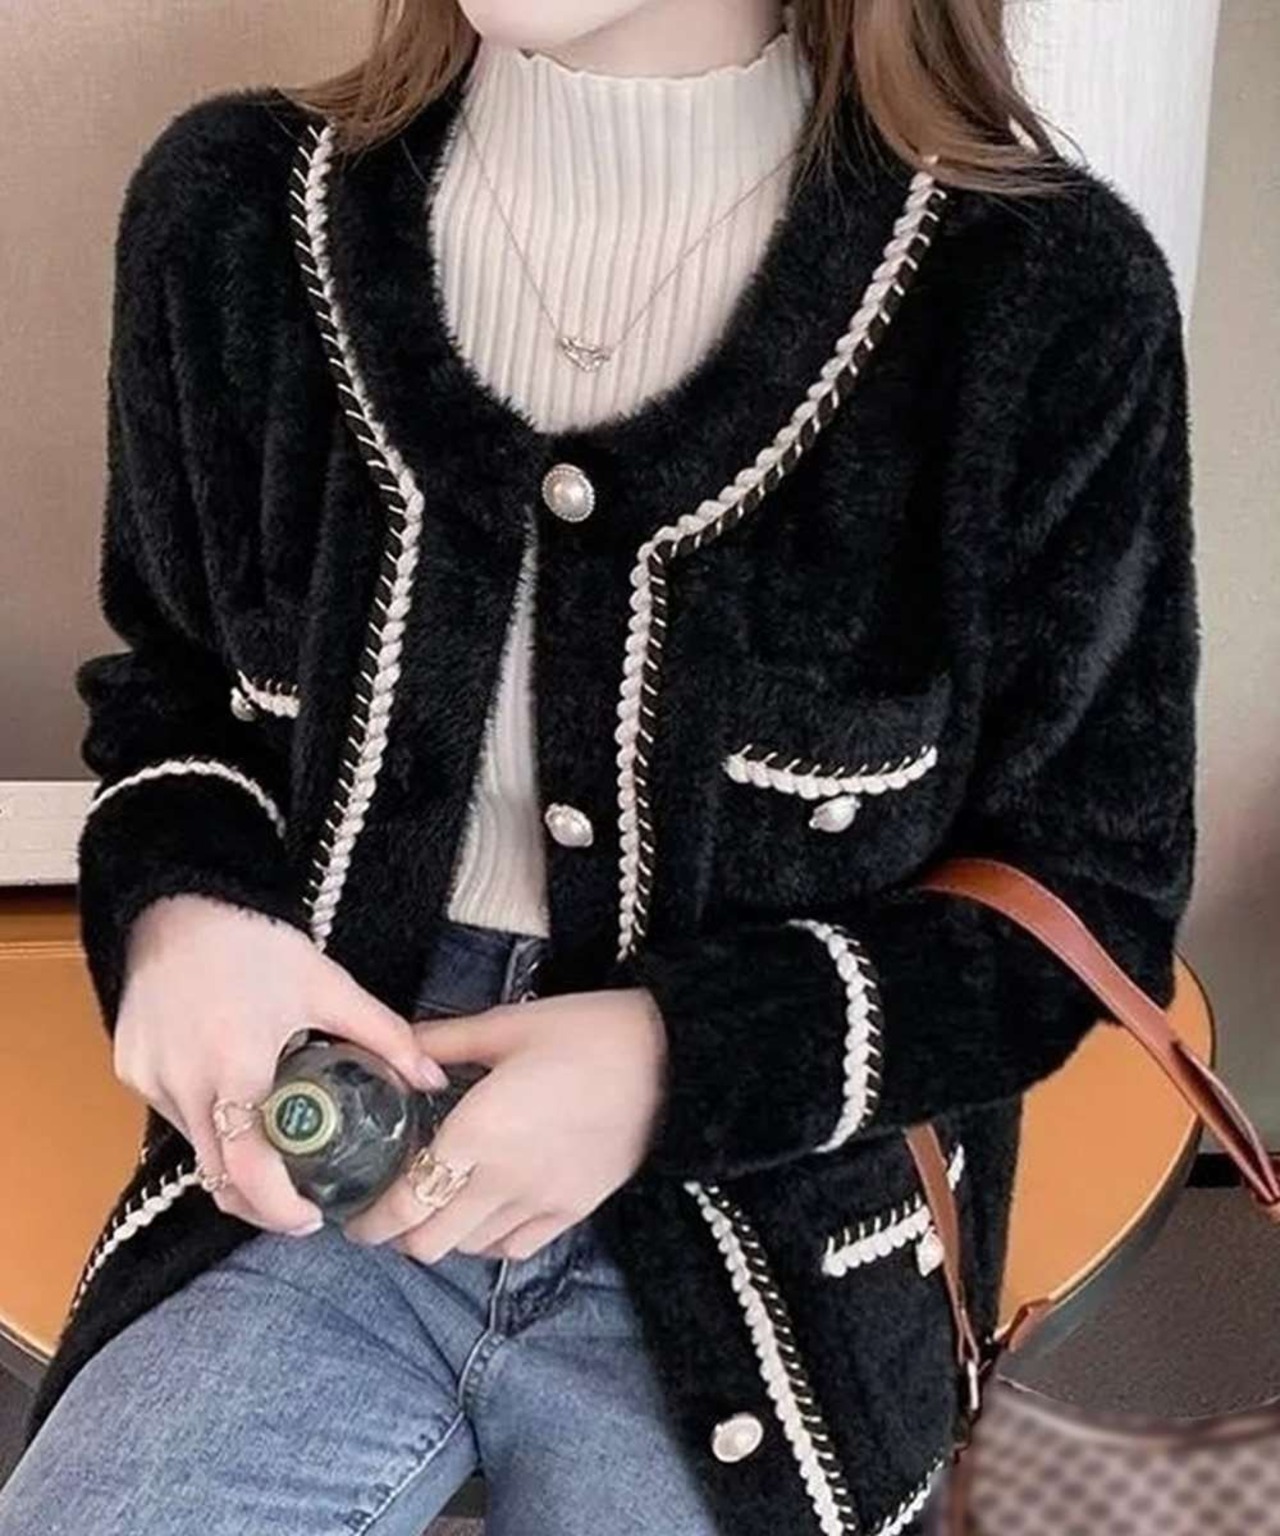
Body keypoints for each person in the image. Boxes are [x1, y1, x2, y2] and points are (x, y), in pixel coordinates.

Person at [0, 1, 1199, 1533]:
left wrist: (675, 1064)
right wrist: (183, 922)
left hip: (776, 1226)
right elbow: (174, 700)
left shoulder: (1040, 294)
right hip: (319, 1171)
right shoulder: (233, 216)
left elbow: (1086, 894)